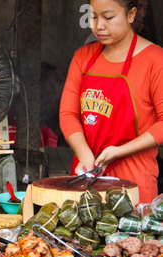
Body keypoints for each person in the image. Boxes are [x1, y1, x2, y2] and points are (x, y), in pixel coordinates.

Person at [59, 0, 163, 203]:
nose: (98, 25)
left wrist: (119, 152)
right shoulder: (83, 57)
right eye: (93, 16)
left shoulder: (155, 59)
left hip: (133, 182)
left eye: (108, 17)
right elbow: (67, 114)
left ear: (131, 15)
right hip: (86, 175)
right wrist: (85, 155)